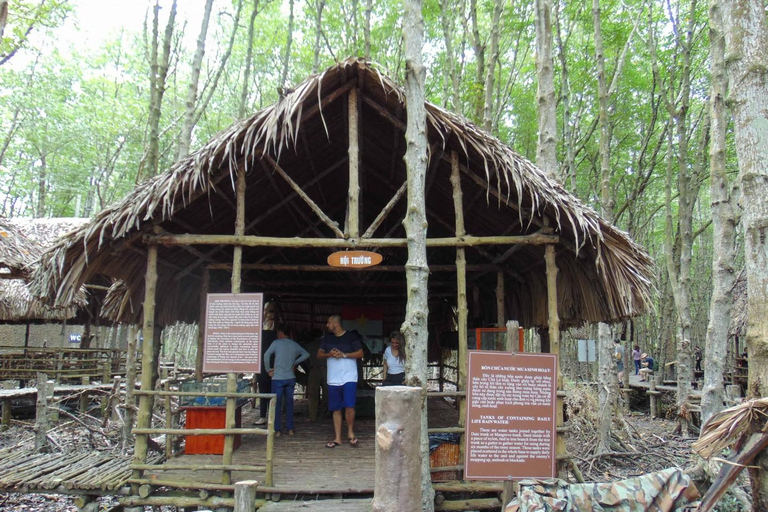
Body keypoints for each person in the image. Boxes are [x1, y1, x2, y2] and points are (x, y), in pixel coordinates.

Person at [319, 314, 363, 448]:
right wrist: (330, 354)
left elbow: (360, 353)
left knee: (349, 406)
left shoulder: (351, 336)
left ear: (335, 323)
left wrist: (344, 355)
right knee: (336, 408)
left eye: (328, 323)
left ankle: (350, 432)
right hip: (333, 378)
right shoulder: (327, 338)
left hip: (349, 377)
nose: (327, 325)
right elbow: (319, 354)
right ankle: (338, 437)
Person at [263, 324, 309, 436]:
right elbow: (306, 354)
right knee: (289, 403)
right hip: (290, 378)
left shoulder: (276, 343)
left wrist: (269, 369)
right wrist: (295, 363)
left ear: (281, 333)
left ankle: (277, 430)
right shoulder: (294, 344)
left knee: (277, 404)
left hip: (278, 378)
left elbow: (266, 355)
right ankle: (290, 429)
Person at [254, 302, 278, 425]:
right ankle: (263, 416)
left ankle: (273, 416)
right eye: (269, 312)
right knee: (263, 391)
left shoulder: (278, 329)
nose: (271, 314)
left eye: (273, 312)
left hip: (274, 364)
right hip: (262, 365)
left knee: (274, 392)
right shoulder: (259, 328)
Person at [303, 329, 328, 422]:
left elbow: (305, 359)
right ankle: (327, 414)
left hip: (314, 370)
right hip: (326, 369)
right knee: (327, 393)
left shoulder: (309, 345)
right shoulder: (326, 345)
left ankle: (312, 416)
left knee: (312, 394)